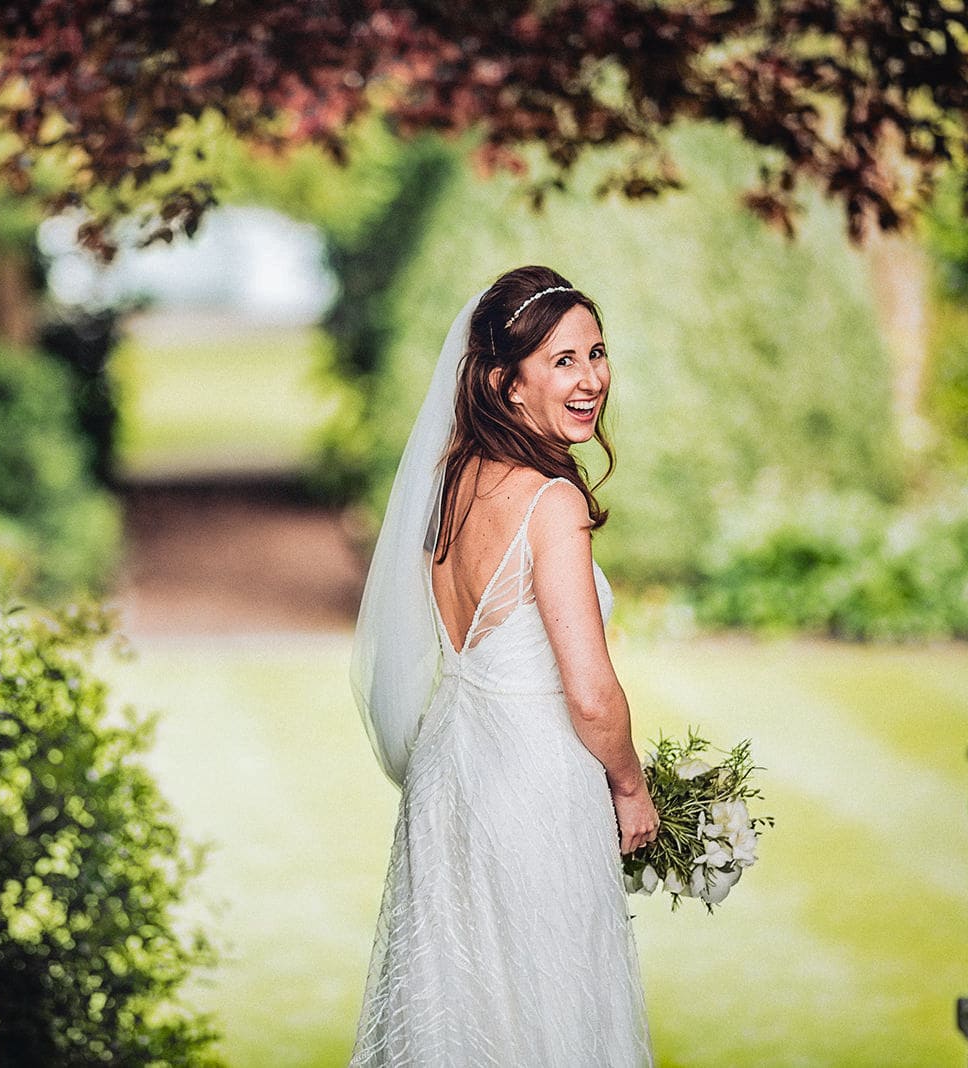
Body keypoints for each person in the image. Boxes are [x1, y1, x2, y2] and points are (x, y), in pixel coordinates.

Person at [348, 265, 656, 1066]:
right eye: (562, 361)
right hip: (533, 784)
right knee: (549, 1010)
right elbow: (590, 694)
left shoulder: (451, 482)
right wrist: (630, 785)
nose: (591, 379)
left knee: (463, 1006)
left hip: (451, 774)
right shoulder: (549, 503)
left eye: (597, 353)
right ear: (504, 382)